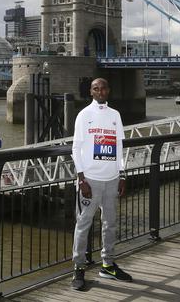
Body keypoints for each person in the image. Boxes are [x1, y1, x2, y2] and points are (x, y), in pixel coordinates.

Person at [71, 77, 133, 291]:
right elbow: (75, 149)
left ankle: (108, 265)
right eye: (96, 88)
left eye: (104, 87)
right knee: (83, 225)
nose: (100, 91)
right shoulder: (84, 115)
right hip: (90, 180)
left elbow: (118, 147)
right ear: (91, 92)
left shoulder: (115, 115)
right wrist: (81, 178)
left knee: (110, 224)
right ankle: (78, 269)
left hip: (112, 179)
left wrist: (122, 174)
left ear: (109, 90)